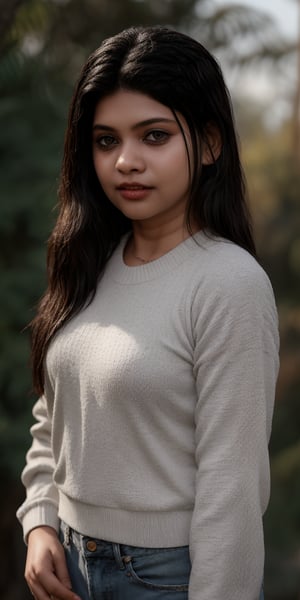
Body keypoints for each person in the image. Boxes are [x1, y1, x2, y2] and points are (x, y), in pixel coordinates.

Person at [17, 25, 279, 600]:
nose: (125, 161)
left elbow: (231, 490)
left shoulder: (228, 283)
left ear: (209, 144)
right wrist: (40, 520)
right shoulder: (88, 261)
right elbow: (55, 413)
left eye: (154, 136)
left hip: (170, 578)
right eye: (106, 141)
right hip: (68, 564)